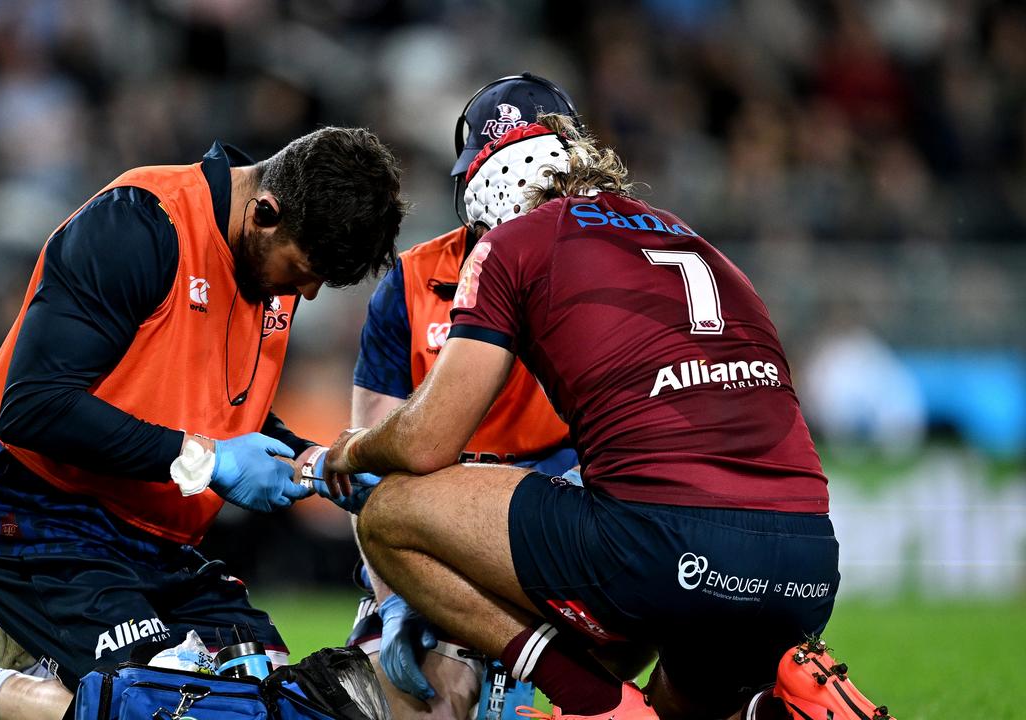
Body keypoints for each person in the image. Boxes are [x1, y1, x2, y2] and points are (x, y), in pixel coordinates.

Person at [325, 116, 892, 720]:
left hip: (666, 548)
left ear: (486, 203)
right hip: (804, 568)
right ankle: (773, 705)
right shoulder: (702, 246)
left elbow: (427, 444)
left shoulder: (512, 242)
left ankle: (592, 700)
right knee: (680, 699)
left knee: (388, 512)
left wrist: (351, 449)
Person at [0, 126, 405, 720]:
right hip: (37, 518)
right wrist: (212, 461)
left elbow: (212, 405)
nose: (310, 292)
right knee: (178, 707)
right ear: (266, 212)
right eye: (304, 271)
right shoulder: (139, 224)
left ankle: (41, 670)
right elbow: (33, 405)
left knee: (269, 692)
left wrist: (314, 461)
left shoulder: (267, 255)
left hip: (157, 545)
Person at [347, 73, 653, 720]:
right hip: (439, 523)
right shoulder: (409, 283)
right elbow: (371, 460)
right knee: (420, 693)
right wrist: (396, 593)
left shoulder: (610, 270)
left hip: (562, 514)